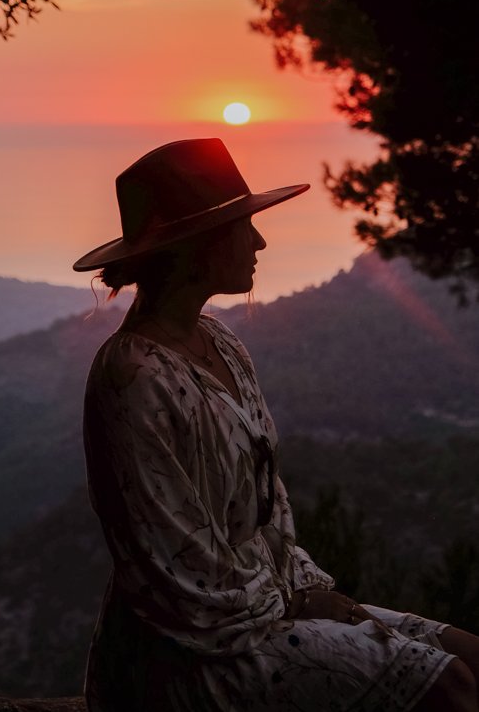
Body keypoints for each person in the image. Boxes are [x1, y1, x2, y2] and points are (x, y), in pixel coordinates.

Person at [73, 138, 479, 712]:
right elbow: (175, 567)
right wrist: (295, 601)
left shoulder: (223, 344)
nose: (260, 241)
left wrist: (309, 589)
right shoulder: (131, 376)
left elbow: (271, 505)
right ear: (198, 247)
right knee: (450, 689)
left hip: (266, 608)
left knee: (470, 655)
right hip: (190, 656)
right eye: (243, 226)